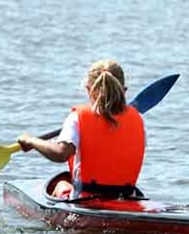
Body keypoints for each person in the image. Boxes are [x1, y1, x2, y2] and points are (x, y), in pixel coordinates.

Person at [17, 59, 146, 199]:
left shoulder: (77, 118)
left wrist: (31, 141)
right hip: (127, 197)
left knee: (60, 184)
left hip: (86, 198)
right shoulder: (138, 120)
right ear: (124, 90)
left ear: (88, 89)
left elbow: (61, 154)